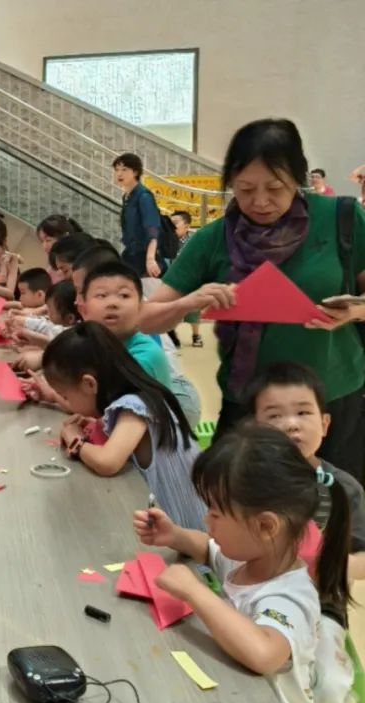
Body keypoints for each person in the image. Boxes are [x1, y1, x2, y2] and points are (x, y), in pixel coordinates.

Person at [138, 119, 365, 478]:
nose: (260, 202)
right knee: (252, 511)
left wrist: (355, 310)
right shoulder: (213, 239)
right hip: (251, 406)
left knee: (338, 512)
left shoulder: (341, 218)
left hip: (333, 401)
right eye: (244, 189)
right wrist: (188, 302)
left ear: (299, 178)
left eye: (275, 187)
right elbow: (145, 319)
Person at [136, 424, 354, 703]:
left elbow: (264, 654)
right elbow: (210, 549)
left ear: (266, 526)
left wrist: (196, 593)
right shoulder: (249, 560)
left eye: (215, 513)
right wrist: (176, 535)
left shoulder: (290, 597)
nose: (207, 522)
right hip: (235, 702)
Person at [43, 322, 206, 530]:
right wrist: (98, 424)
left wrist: (76, 439)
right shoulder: (133, 394)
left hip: (186, 530)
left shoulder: (135, 405)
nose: (66, 402)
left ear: (89, 384)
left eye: (65, 396)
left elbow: (108, 462)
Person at [245, 362, 365, 578]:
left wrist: (327, 565)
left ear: (325, 424)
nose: (292, 424)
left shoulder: (343, 487)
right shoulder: (242, 479)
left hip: (319, 601)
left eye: (303, 412)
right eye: (274, 416)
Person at [78, 259, 202, 427]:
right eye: (101, 295)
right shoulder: (93, 339)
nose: (112, 303)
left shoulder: (146, 355)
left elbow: (110, 410)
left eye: (124, 295)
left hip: (177, 402)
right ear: (83, 310)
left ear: (141, 309)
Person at [113, 153, 162, 279]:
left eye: (124, 169)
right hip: (131, 254)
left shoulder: (144, 196)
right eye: (117, 169)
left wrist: (150, 259)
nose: (119, 174)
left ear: (135, 172)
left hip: (144, 256)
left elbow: (152, 229)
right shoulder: (127, 196)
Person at [2, 280, 79, 347]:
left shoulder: (72, 336)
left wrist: (24, 331)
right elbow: (45, 322)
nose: (48, 315)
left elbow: (50, 333)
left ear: (70, 318)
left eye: (50, 311)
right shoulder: (60, 323)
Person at [169, 210, 203, 348]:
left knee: (193, 309)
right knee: (171, 309)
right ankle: (172, 336)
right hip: (171, 279)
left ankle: (196, 335)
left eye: (176, 223)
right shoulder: (168, 241)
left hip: (190, 279)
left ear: (187, 226)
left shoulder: (194, 241)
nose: (172, 227)